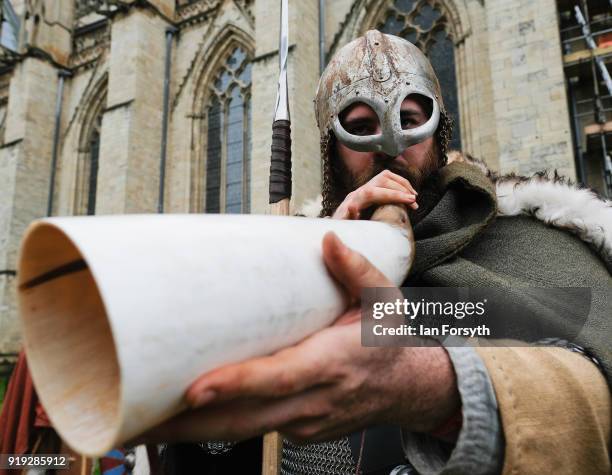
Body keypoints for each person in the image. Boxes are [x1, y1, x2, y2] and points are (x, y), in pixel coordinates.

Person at [142, 30, 611, 474]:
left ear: (438, 128)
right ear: (331, 149)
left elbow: (590, 377)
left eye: (409, 120)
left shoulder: (530, 239)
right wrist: (310, 277)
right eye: (362, 125)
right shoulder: (295, 256)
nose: (391, 144)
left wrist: (433, 386)